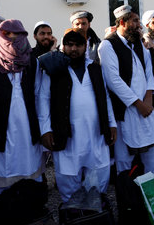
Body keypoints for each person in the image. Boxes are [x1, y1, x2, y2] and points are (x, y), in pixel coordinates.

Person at [37, 28, 117, 202]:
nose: (74, 49)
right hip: (66, 133)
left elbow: (105, 97)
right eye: (69, 45)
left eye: (78, 45)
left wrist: (112, 124)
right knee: (67, 175)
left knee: (98, 173)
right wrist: (45, 130)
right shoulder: (54, 69)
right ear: (63, 47)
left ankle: (95, 213)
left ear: (85, 46)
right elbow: (43, 100)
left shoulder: (95, 68)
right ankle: (73, 216)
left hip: (95, 133)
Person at [0, 19, 43, 205]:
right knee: (0, 180)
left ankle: (29, 220)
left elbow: (38, 98)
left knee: (29, 174)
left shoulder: (32, 64)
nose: (13, 41)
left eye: (18, 36)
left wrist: (44, 130)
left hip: (28, 132)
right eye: (8, 37)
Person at [99, 5, 154, 174]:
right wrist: (138, 104)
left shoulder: (139, 44)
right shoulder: (107, 45)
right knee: (124, 160)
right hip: (125, 112)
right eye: (135, 21)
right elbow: (114, 81)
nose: (140, 25)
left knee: (153, 157)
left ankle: (152, 198)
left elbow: (149, 73)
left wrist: (148, 99)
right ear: (123, 23)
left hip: (146, 109)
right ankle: (128, 198)